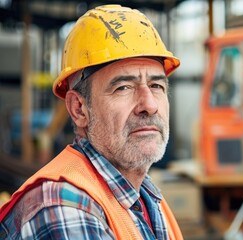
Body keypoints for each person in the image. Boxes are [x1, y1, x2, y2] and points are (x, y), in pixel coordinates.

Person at [0, 5, 183, 240]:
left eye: (157, 86)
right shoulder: (64, 207)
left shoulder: (145, 196)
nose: (149, 104)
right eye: (123, 87)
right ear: (79, 109)